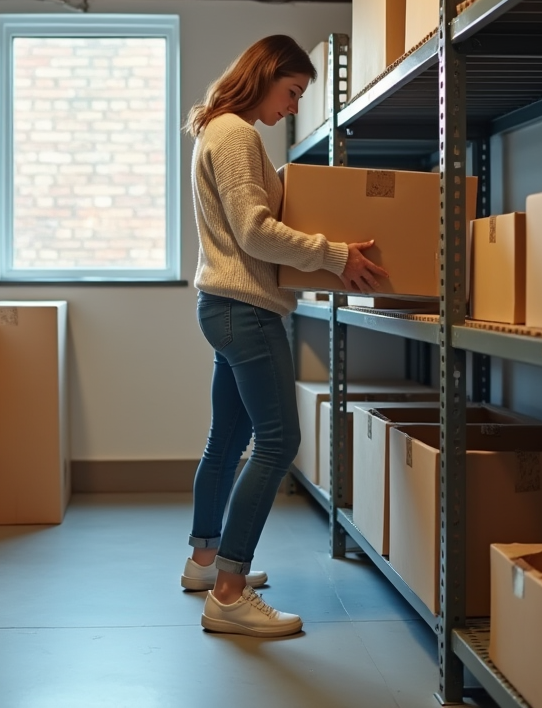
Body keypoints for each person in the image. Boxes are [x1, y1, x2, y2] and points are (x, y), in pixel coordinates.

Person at [179, 35, 387, 638]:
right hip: (245, 309)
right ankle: (229, 591)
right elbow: (255, 231)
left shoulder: (217, 130)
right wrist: (334, 255)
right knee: (278, 442)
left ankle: (204, 561)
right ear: (266, 75)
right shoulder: (238, 134)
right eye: (293, 91)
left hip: (221, 306)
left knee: (230, 437)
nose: (294, 106)